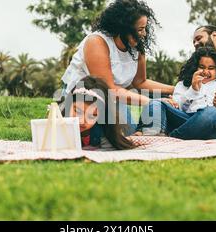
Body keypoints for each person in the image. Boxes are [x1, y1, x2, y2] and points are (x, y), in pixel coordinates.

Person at [59, 0, 177, 135]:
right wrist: (153, 101)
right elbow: (109, 88)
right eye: (140, 29)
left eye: (145, 28)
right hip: (82, 100)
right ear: (123, 28)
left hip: (114, 98)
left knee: (128, 134)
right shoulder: (97, 42)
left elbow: (140, 82)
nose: (144, 34)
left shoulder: (137, 47)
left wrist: (176, 89)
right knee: (106, 138)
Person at [136, 47, 216, 140]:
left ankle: (172, 138)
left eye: (211, 68)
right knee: (156, 103)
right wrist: (192, 90)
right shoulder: (184, 84)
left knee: (211, 113)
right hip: (187, 122)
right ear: (195, 67)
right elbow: (178, 107)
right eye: (202, 67)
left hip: (215, 125)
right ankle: (151, 133)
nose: (206, 72)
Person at [60, 76, 137, 150]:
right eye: (77, 111)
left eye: (92, 116)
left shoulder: (103, 133)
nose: (82, 121)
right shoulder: (56, 126)